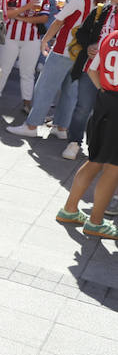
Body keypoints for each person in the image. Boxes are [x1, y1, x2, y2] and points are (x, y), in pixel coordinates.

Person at [8, 0, 106, 139]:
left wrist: (45, 39)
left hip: (63, 48)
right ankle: (61, 128)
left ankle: (31, 126)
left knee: (45, 87)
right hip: (83, 52)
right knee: (70, 90)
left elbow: (59, 21)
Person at [55, 22, 118, 239]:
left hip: (104, 102)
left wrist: (103, 88)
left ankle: (70, 209)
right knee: (113, 168)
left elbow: (92, 69)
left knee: (95, 160)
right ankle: (96, 222)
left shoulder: (110, 37)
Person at [0, 0, 48, 113]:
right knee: (2, 69)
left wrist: (20, 17)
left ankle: (27, 104)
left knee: (28, 72)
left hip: (32, 39)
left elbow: (44, 18)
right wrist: (27, 8)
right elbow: (6, 14)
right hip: (9, 37)